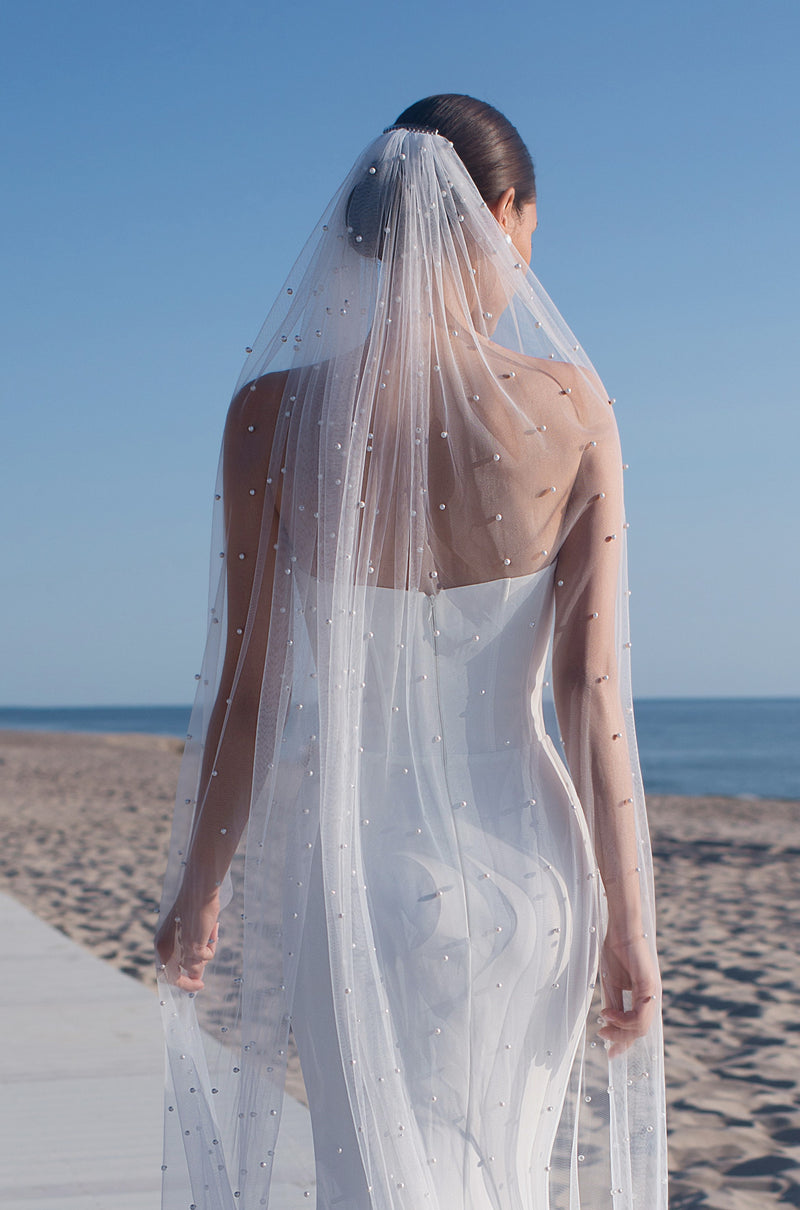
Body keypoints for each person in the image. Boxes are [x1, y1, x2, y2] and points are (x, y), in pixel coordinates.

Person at [155, 94, 668, 1210]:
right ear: (497, 215)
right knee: (505, 1176)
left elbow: (246, 692)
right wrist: (630, 926)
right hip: (530, 871)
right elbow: (588, 694)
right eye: (525, 233)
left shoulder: (271, 418)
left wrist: (199, 888)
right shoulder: (574, 410)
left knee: (376, 1180)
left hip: (360, 878)